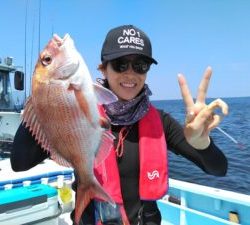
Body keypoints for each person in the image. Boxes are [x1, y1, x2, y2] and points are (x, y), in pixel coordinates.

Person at [11, 25, 228, 225]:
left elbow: (218, 169)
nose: (130, 73)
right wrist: (43, 98)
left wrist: (202, 143)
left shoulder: (161, 122)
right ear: (103, 69)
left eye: (140, 66)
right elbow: (19, 162)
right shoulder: (78, 112)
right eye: (120, 64)